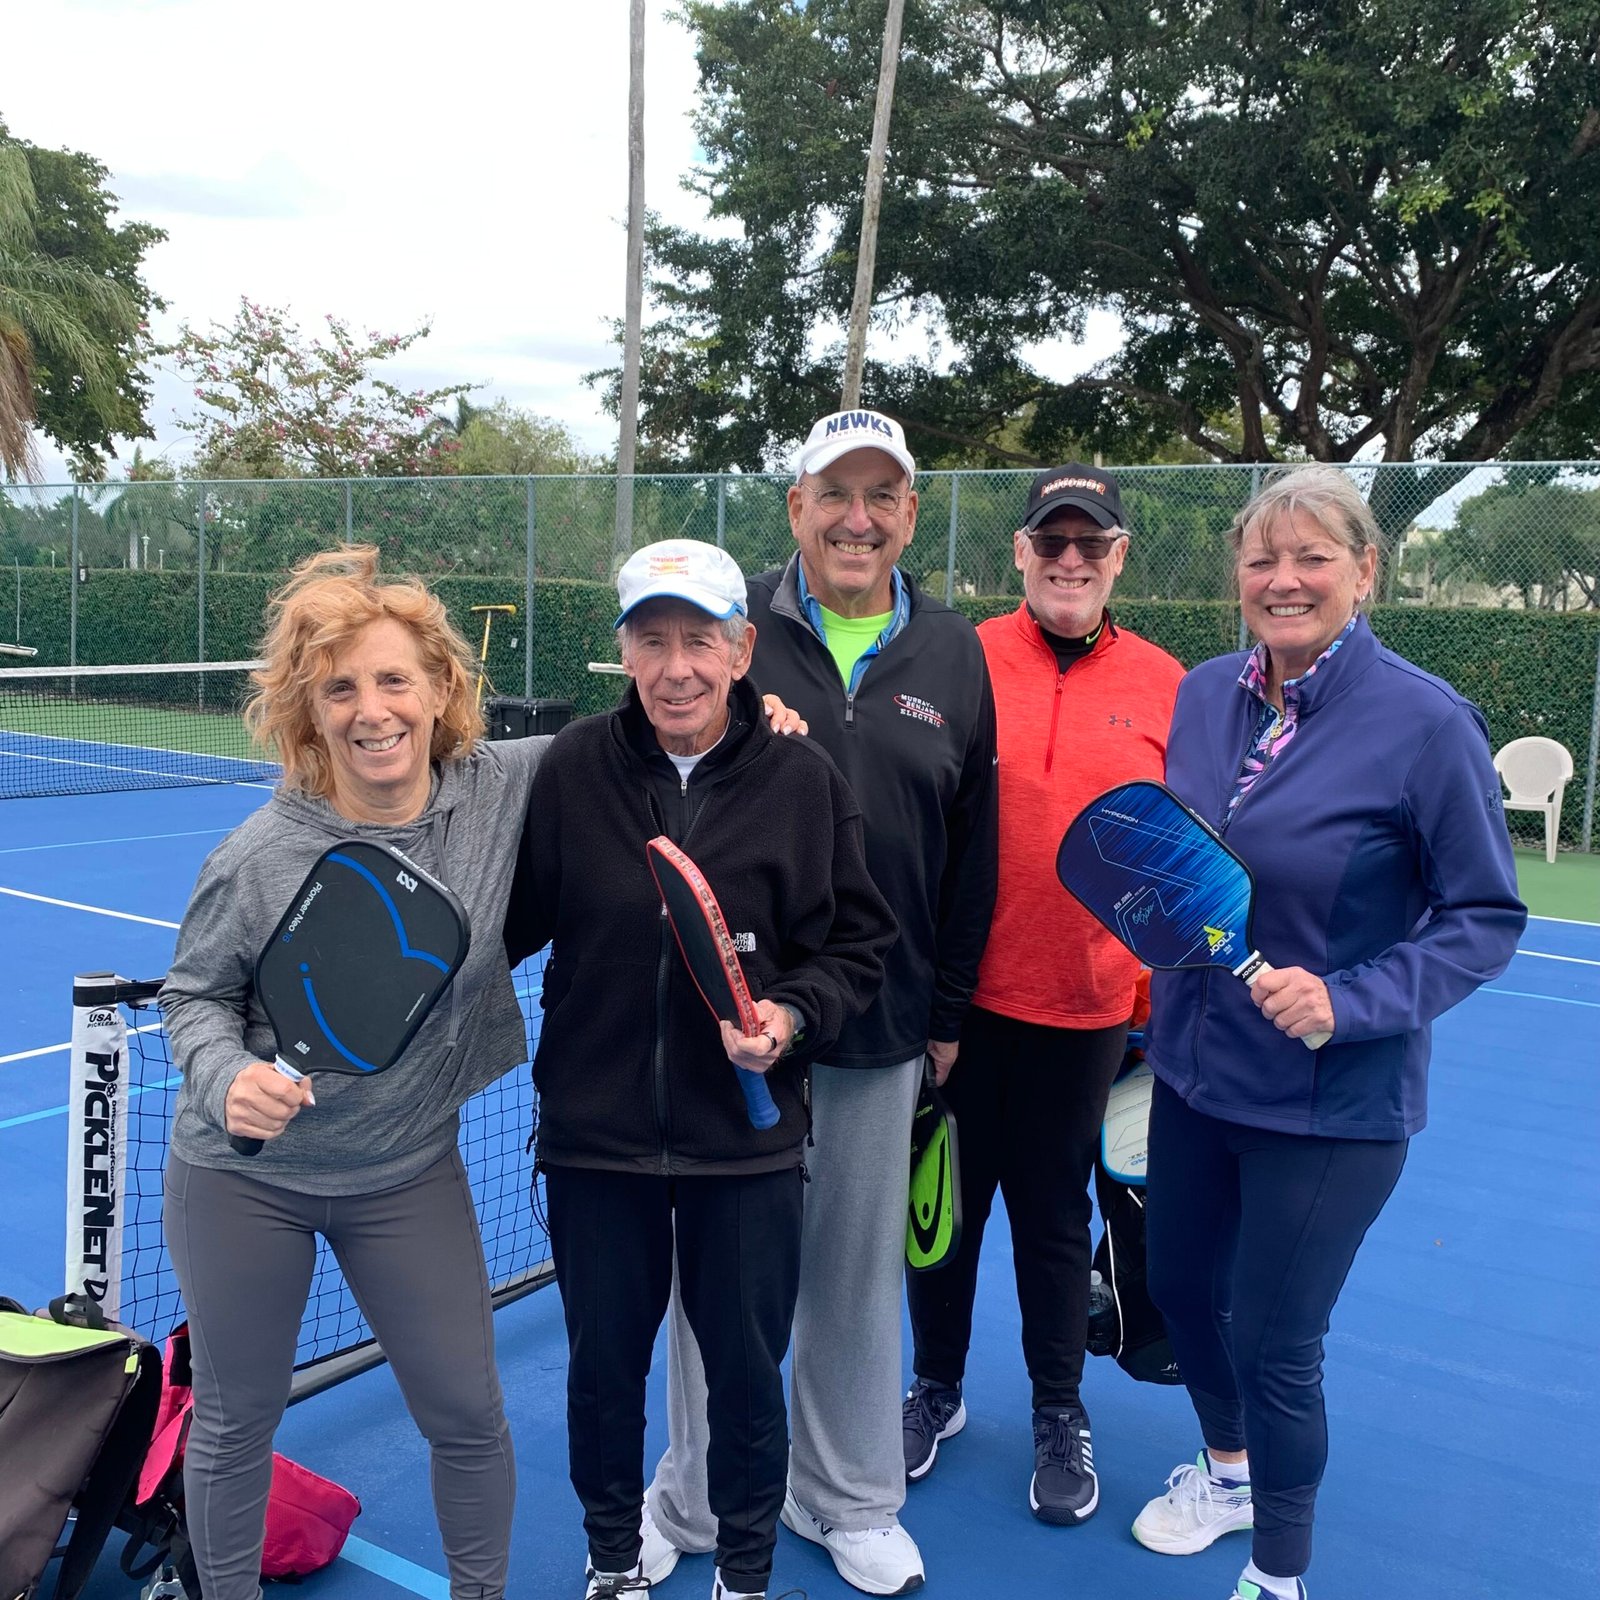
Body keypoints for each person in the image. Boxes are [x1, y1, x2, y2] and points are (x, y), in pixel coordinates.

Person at [1131, 465, 1526, 1600]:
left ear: (1364, 570)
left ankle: (1277, 1570)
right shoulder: (1206, 693)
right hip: (1196, 1073)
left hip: (1331, 1101)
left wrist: (1347, 1000)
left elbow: (1483, 917)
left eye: (1312, 557)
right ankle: (1226, 1470)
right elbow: (1189, 856)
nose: (1283, 578)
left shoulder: (1427, 722)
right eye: (1261, 559)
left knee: (1272, 1339)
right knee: (1178, 1294)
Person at [646, 409, 999, 1596]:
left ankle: (846, 1496)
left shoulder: (954, 652)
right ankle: (690, 1494)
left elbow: (971, 846)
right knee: (719, 1282)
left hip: (881, 1024)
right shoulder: (724, 625)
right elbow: (650, 760)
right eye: (833, 494)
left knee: (853, 1277)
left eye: (881, 497)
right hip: (734, 1028)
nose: (858, 518)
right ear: (793, 506)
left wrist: (946, 1012)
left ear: (908, 513)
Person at [506, 539, 897, 1600]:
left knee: (744, 1379)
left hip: (745, 1143)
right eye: (652, 639)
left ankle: (744, 1573)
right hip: (597, 1140)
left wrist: (788, 1014)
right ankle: (611, 1560)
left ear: (741, 650)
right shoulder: (573, 768)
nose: (675, 666)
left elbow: (857, 947)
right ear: (624, 650)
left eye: (698, 640)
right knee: (603, 1376)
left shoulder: (805, 779)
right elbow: (514, 923)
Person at [160, 546, 547, 1600]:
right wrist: (224, 1072)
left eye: (392, 679)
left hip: (405, 1172)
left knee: (467, 1412)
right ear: (308, 709)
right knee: (237, 1417)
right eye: (340, 687)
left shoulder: (498, 793)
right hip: (244, 1180)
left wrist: (767, 714)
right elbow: (190, 997)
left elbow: (643, 735)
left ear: (440, 691)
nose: (371, 709)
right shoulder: (257, 853)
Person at [901, 464, 1184, 1523]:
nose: (1070, 560)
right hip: (959, 1012)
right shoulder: (956, 656)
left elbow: (1183, 852)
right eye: (1050, 542)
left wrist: (1154, 996)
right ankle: (936, 1387)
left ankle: (1058, 1409)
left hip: (1091, 1015)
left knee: (1057, 1227)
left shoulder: (1169, 683)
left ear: (1118, 557)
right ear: (1019, 551)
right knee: (944, 1218)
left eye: (1091, 544)